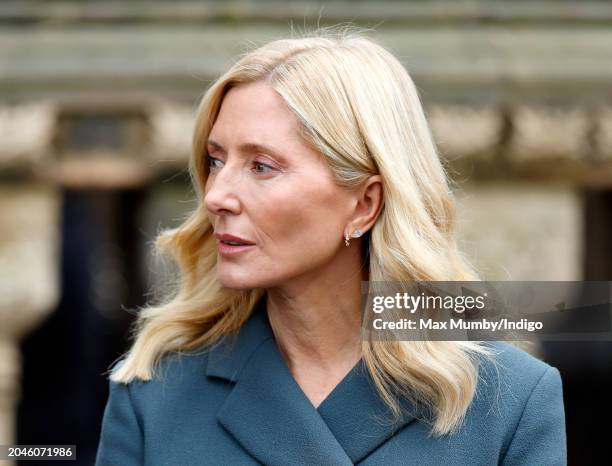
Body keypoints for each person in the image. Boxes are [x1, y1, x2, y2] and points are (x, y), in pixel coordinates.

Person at [94, 26, 566, 465]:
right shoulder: (154, 396)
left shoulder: (509, 402)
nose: (216, 196)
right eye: (216, 160)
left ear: (364, 203)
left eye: (261, 166)